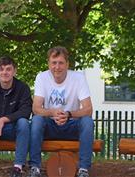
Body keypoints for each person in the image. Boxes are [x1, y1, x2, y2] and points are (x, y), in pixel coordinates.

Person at [28, 46, 94, 177]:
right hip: (50, 125)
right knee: (36, 120)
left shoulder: (78, 78)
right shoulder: (42, 77)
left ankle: (83, 169)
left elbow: (88, 109)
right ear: (48, 63)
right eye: (54, 62)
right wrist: (52, 112)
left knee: (87, 121)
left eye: (61, 63)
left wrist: (69, 114)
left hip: (71, 125)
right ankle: (34, 167)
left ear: (67, 64)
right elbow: (36, 108)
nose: (57, 67)